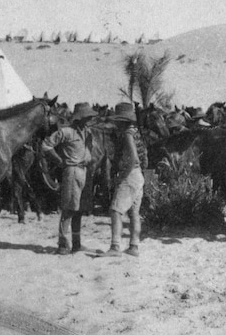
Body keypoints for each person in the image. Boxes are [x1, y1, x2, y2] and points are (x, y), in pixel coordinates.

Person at [41, 102, 97, 255]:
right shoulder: (66, 132)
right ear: (79, 118)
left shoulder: (87, 133)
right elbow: (46, 145)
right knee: (69, 209)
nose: (89, 120)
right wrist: (59, 160)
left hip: (84, 172)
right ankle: (63, 245)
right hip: (72, 171)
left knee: (79, 210)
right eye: (87, 117)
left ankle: (77, 244)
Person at [99, 102, 147, 257]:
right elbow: (142, 157)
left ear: (121, 120)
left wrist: (122, 176)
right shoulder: (136, 132)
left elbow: (133, 158)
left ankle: (115, 247)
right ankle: (134, 246)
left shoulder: (127, 134)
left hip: (130, 174)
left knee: (115, 211)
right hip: (138, 175)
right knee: (134, 213)